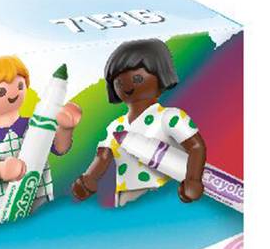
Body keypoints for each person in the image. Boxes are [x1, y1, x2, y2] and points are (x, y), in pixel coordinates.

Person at [73, 38, 206, 207]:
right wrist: (89, 179)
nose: (127, 85)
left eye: (137, 78)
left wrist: (193, 179)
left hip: (164, 195)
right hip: (125, 197)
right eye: (119, 82)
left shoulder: (169, 117)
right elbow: (103, 156)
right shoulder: (116, 127)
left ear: (161, 75)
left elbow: (196, 147)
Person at [0, 53, 80, 227]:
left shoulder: (36, 125)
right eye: (1, 91)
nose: (13, 93)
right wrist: (2, 169)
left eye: (19, 85)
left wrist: (65, 128)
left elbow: (60, 148)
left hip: (41, 199)